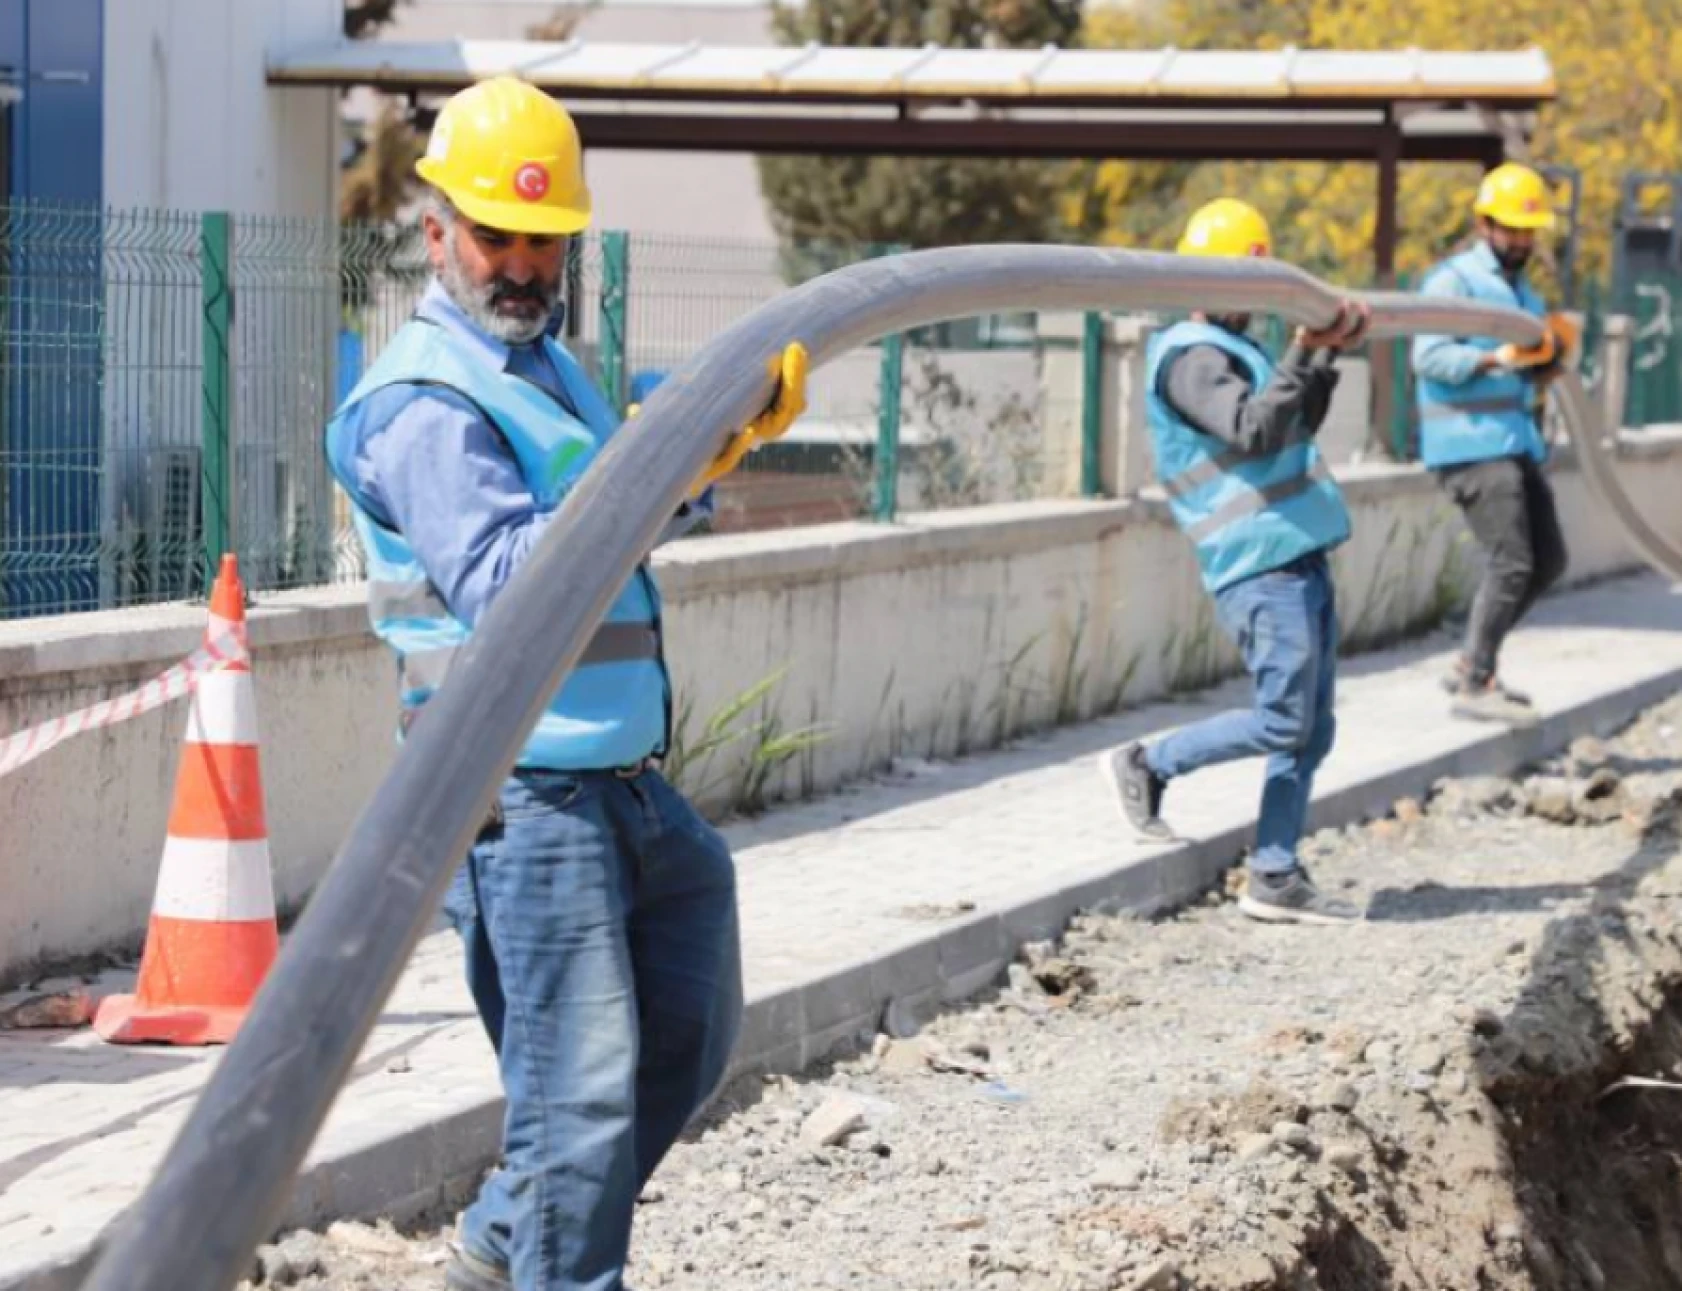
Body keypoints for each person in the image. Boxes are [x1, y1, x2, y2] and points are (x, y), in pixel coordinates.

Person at [323, 76, 807, 1291]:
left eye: (545, 240)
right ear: (436, 233)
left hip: (625, 784)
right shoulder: (424, 400)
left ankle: (501, 1240)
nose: (526, 264)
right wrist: (662, 453)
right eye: (498, 235)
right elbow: (511, 579)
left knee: (684, 1039)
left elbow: (622, 525)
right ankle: (547, 1261)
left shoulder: (545, 370)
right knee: (580, 1107)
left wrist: (709, 446)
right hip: (521, 799)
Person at [1100, 198, 1370, 926]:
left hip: (1296, 552)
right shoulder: (1189, 356)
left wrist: (1322, 349)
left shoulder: (1235, 347)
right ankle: (1149, 762)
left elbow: (1294, 420)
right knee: (1284, 720)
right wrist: (1302, 349)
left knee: (1312, 726)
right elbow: (1252, 430)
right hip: (1256, 563)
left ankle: (1276, 873)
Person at [1412, 162, 1573, 725]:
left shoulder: (1522, 291)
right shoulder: (1451, 282)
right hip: (1468, 446)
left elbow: (1524, 367)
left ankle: (1470, 663)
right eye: (1513, 228)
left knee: (1547, 561)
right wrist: (1493, 358)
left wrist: (1542, 366)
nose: (1523, 240)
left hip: (1513, 441)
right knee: (1512, 561)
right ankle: (1476, 680)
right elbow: (1427, 357)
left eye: (1529, 231)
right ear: (1485, 224)